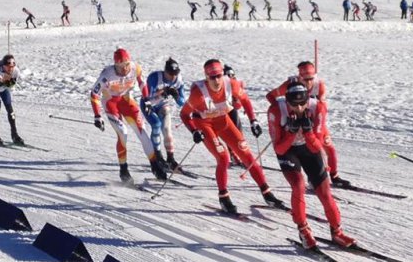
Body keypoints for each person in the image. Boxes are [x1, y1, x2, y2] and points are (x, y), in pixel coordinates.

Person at [180, 58, 281, 214]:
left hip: (223, 120)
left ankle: (267, 192)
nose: (216, 80)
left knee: (246, 154)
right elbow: (184, 114)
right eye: (212, 77)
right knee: (223, 157)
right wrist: (194, 131)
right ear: (206, 77)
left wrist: (253, 121)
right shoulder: (198, 94)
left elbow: (246, 100)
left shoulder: (231, 84)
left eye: (219, 76)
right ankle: (224, 197)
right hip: (204, 123)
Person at [268, 80, 353, 250]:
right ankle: (303, 229)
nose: (299, 108)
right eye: (294, 104)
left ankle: (337, 231)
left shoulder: (318, 108)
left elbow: (316, 146)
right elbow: (279, 148)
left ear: (308, 99)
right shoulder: (276, 111)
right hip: (288, 150)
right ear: (287, 101)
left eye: (302, 103)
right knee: (298, 186)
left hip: (309, 147)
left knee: (324, 191)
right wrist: (291, 133)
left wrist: (307, 132)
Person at [265, 60, 350, 187]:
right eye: (305, 79)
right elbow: (270, 96)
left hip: (313, 120)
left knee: (328, 147)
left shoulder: (319, 85)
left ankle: (334, 176)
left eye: (311, 78)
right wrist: (283, 110)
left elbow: (322, 107)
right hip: (294, 120)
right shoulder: (291, 84)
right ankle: (311, 176)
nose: (309, 82)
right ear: (300, 77)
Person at [90, 48, 168, 182]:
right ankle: (123, 169)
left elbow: (142, 82)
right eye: (120, 66)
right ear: (115, 65)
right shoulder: (107, 74)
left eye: (126, 64)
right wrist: (97, 115)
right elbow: (94, 94)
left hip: (126, 100)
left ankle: (154, 165)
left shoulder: (135, 68)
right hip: (111, 102)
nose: (124, 69)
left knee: (141, 131)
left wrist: (147, 100)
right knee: (123, 132)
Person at [143, 57, 191, 170]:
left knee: (167, 130)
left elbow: (181, 102)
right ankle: (158, 156)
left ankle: (171, 158)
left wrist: (176, 95)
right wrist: (163, 93)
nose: (173, 76)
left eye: (175, 73)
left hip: (162, 105)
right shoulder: (155, 77)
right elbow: (148, 98)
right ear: (165, 71)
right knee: (156, 125)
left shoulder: (178, 80)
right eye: (170, 74)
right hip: (149, 105)